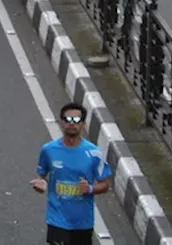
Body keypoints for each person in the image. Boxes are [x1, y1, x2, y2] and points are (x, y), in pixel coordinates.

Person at [32, 103, 113, 245]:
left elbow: (105, 184)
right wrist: (40, 184)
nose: (71, 124)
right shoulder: (48, 150)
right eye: (67, 119)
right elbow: (41, 175)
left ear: (83, 124)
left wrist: (90, 189)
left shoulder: (94, 153)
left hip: (83, 222)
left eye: (76, 120)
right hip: (57, 219)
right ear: (62, 122)